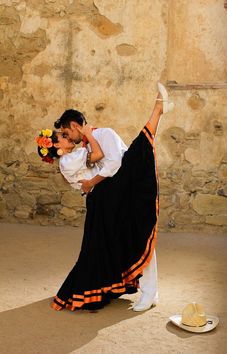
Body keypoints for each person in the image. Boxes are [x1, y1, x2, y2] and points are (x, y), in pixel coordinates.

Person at [36, 83, 173, 311]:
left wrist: (92, 182)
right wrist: (91, 183)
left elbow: (114, 164)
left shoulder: (103, 134)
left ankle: (150, 292)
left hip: (122, 190)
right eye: (62, 136)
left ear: (74, 125)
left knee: (138, 233)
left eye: (66, 132)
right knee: (122, 241)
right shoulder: (80, 151)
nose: (66, 136)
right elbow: (98, 163)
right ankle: (131, 287)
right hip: (109, 199)